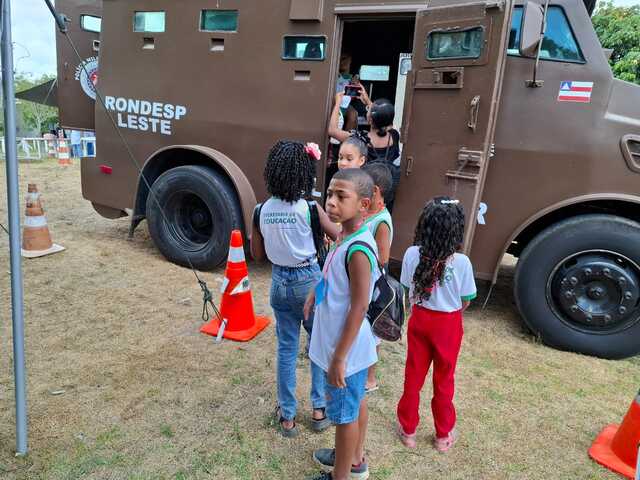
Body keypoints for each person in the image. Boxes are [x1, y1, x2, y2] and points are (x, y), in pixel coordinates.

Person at [250, 140, 339, 438]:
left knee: (286, 349)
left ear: (272, 173)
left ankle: (287, 416)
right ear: (304, 174)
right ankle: (318, 410)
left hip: (279, 284)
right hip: (309, 280)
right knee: (317, 344)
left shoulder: (260, 210)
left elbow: (258, 255)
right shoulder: (311, 209)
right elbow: (338, 234)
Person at [305, 168, 379, 480]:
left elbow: (360, 305)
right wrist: (314, 293)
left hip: (345, 350)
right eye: (330, 194)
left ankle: (341, 475)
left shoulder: (359, 248)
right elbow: (333, 276)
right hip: (341, 345)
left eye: (340, 196)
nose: (331, 202)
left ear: (363, 205)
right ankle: (353, 457)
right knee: (355, 402)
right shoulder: (343, 236)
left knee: (344, 416)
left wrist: (339, 357)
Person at [396, 197, 477, 453]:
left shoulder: (411, 254)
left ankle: (408, 431)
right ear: (457, 229)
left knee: (413, 376)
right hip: (448, 324)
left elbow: (406, 288)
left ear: (425, 225)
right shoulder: (462, 263)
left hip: (420, 319)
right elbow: (466, 300)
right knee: (444, 380)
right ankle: (442, 435)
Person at [328, 94, 401, 211]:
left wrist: (337, 102)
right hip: (384, 193)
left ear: (369, 119)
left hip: (364, 189)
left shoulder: (361, 139)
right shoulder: (394, 136)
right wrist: (368, 101)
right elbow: (383, 118)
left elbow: (332, 130)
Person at [361, 163, 394, 393]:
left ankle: (370, 378)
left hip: (373, 283)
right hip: (362, 280)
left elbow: (383, 257)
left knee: (373, 331)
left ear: (376, 191)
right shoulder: (367, 212)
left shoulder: (382, 221)